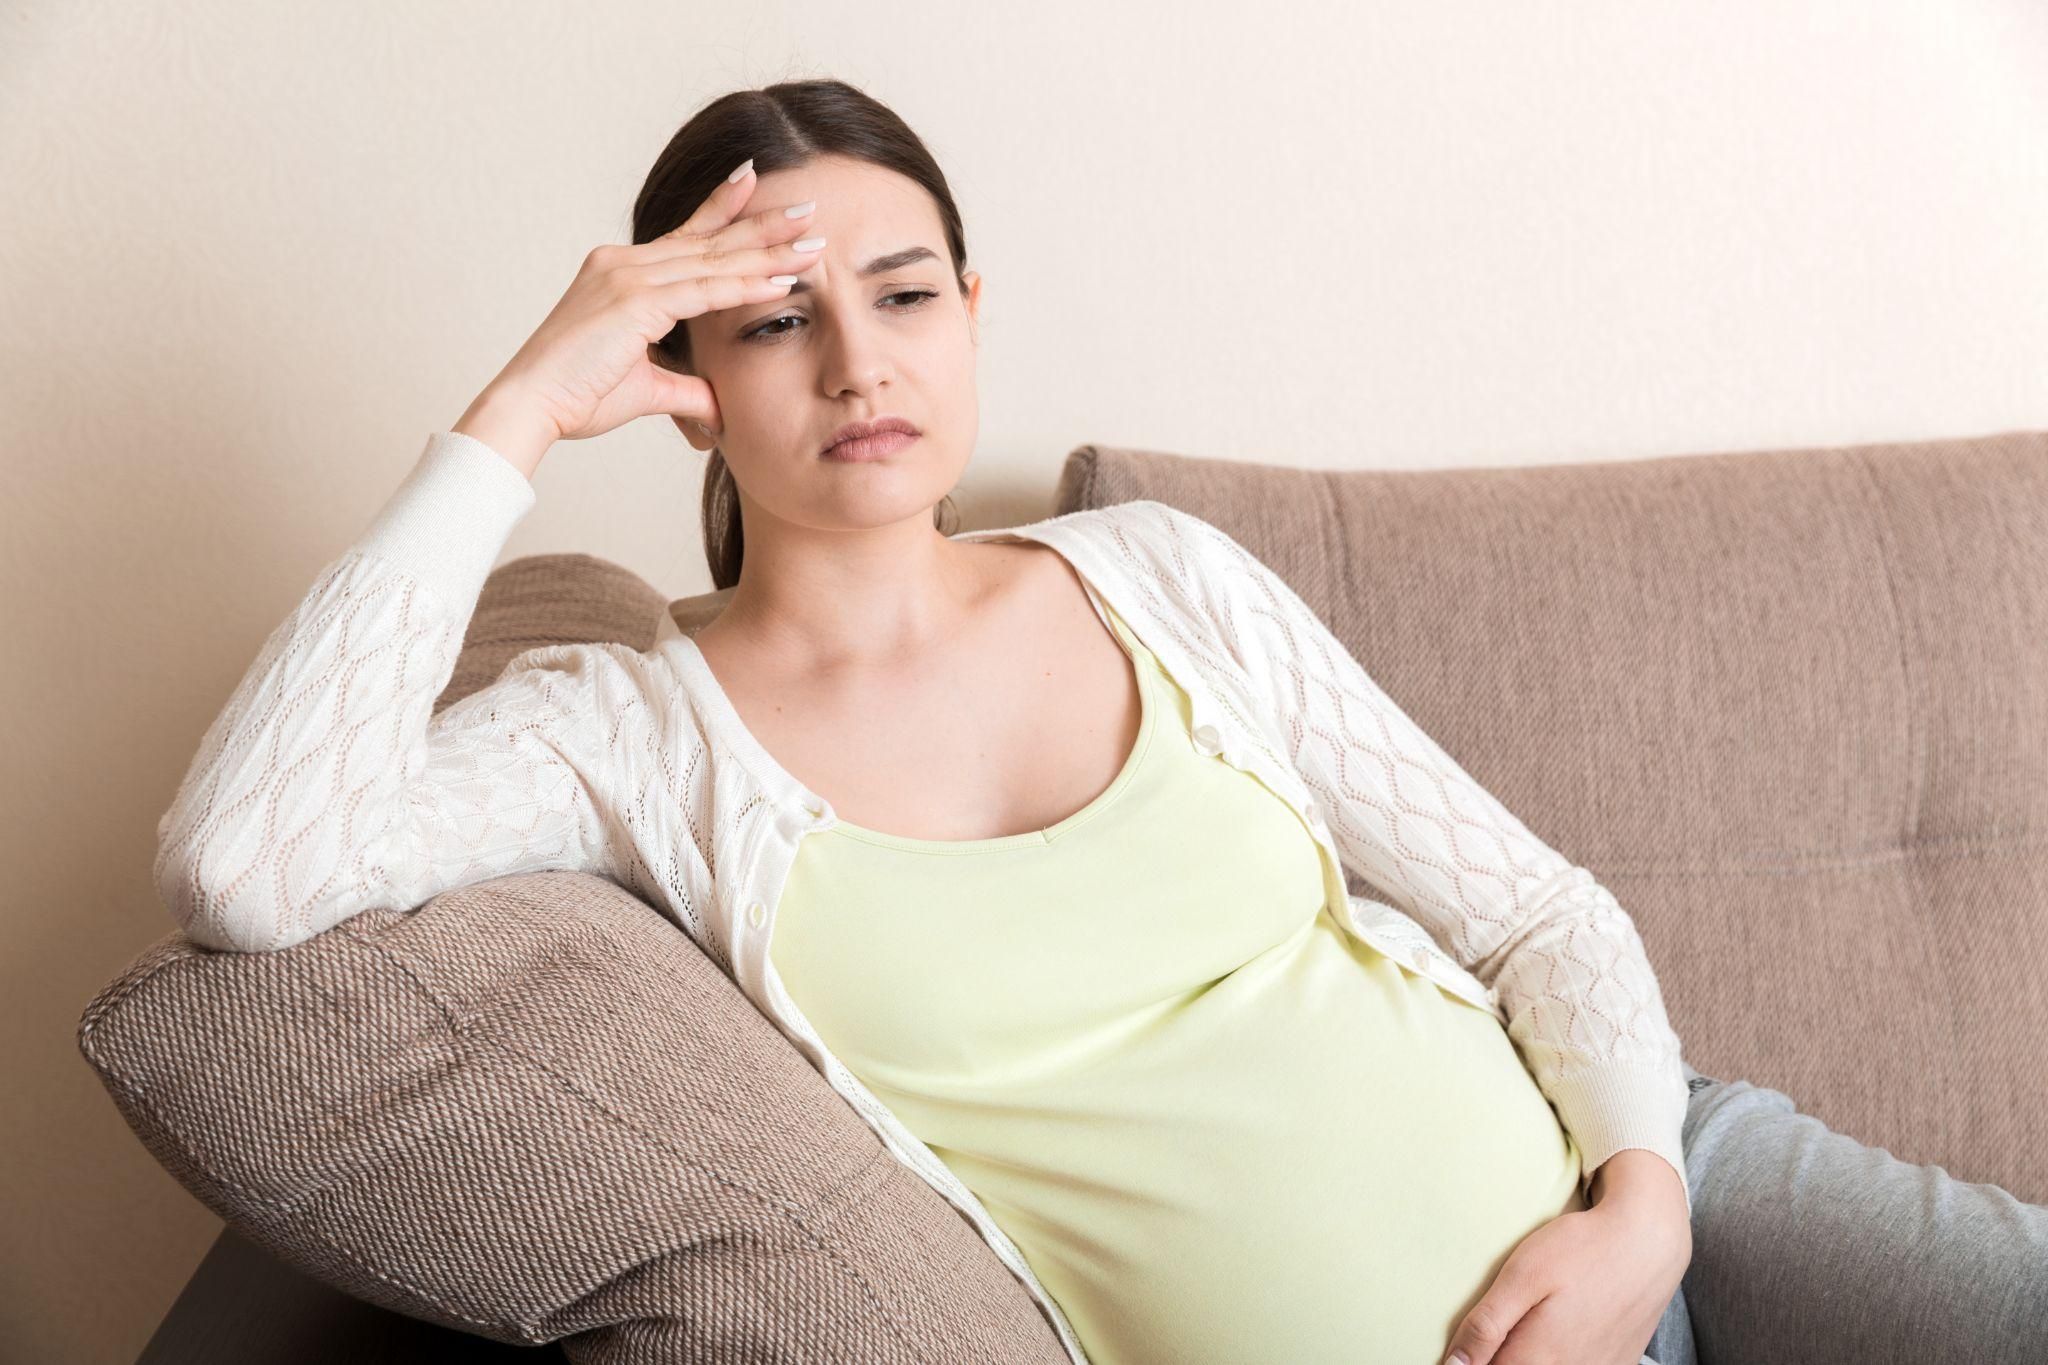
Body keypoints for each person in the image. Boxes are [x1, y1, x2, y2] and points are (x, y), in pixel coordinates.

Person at [155, 77, 2048, 1365]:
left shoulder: (1154, 568)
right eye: (773, 319)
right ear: (683, 378)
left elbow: (1540, 910)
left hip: (1666, 1186)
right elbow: (247, 863)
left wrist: (1641, 1201)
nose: (860, 360)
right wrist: (515, 410)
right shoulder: (629, 731)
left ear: (973, 312)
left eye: (903, 294)